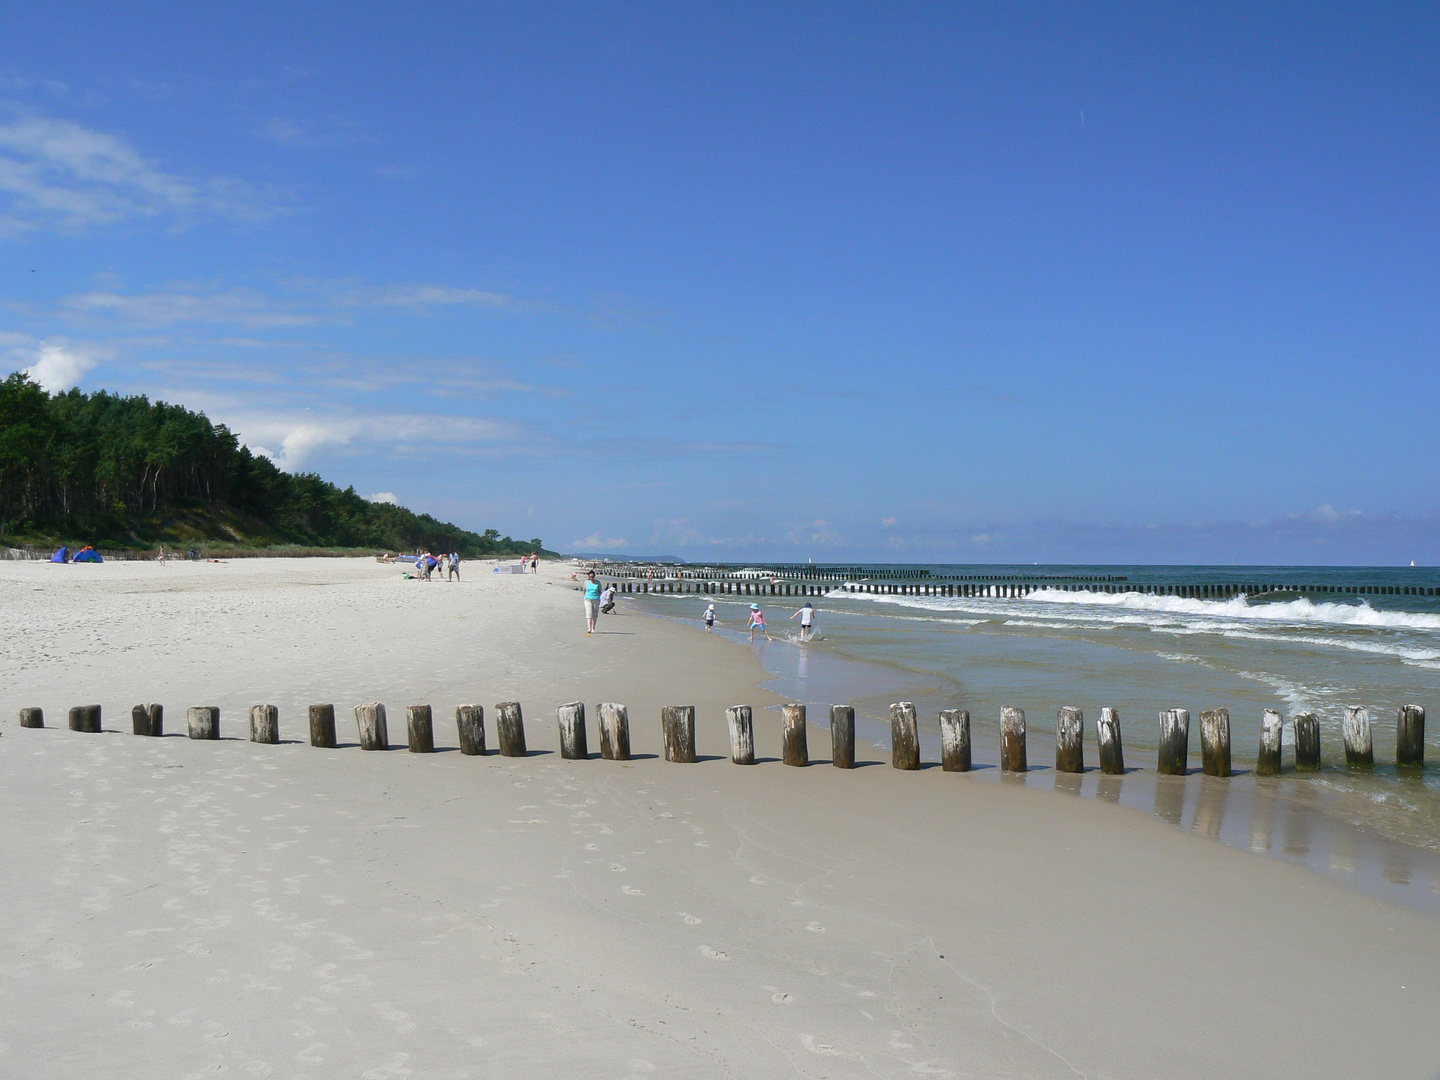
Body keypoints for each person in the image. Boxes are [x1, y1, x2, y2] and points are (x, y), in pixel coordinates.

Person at [583, 570, 602, 635]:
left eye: (593, 577)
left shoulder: (598, 582)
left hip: (596, 599)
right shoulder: (586, 582)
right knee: (589, 613)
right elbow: (584, 590)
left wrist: (598, 597)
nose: (592, 578)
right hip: (588, 599)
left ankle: (593, 628)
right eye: (590, 577)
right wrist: (585, 597)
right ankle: (589, 628)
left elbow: (600, 591)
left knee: (594, 613)